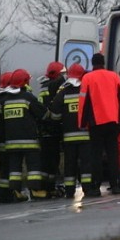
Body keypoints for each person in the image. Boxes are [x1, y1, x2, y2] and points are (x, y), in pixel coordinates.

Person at [78, 53, 120, 196]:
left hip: (95, 122)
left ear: (92, 64)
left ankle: (95, 187)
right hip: (113, 121)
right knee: (113, 154)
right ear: (104, 62)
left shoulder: (87, 78)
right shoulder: (115, 76)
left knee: (96, 156)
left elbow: (83, 102)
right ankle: (115, 185)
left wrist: (82, 122)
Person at [48, 63, 93, 198]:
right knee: (86, 163)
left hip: (68, 136)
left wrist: (62, 119)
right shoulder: (87, 90)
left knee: (69, 164)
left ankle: (69, 190)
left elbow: (54, 114)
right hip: (85, 135)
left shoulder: (63, 92)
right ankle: (88, 188)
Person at [4, 69, 49, 201]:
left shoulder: (4, 100)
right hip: (29, 140)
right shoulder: (28, 97)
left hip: (11, 142)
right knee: (33, 167)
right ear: (25, 82)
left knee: (14, 169)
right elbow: (43, 114)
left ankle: (15, 191)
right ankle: (35, 191)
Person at [37, 61, 66, 197]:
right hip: (53, 127)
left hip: (44, 129)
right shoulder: (56, 85)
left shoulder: (44, 86)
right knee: (53, 160)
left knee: (46, 161)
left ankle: (45, 187)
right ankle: (52, 186)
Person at [0, 71, 15, 203]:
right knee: (11, 168)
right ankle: (9, 193)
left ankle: (3, 193)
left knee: (4, 169)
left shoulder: (0, 101)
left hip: (1, 142)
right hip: (9, 141)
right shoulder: (7, 100)